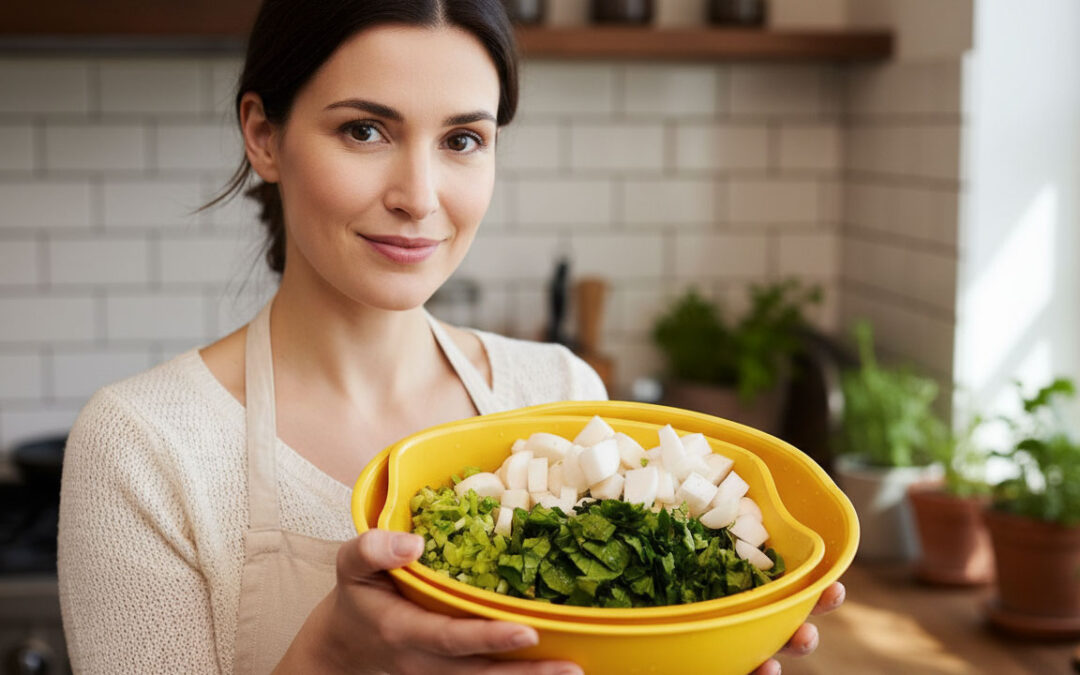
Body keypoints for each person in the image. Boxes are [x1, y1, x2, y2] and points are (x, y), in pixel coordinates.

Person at [56, 1, 844, 673]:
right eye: (365, 130)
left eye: (461, 140)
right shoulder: (146, 445)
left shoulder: (562, 397)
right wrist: (330, 658)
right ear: (264, 136)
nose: (420, 197)